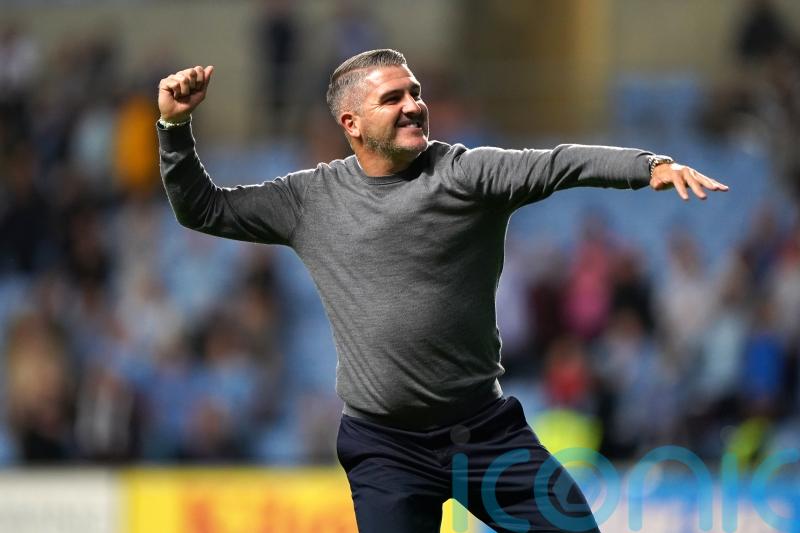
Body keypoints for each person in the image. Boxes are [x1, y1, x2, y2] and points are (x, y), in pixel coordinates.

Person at [156, 49, 728, 533]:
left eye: (415, 92)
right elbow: (203, 208)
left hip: (484, 432)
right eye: (392, 98)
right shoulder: (309, 199)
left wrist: (646, 164)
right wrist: (175, 129)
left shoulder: (466, 175)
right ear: (351, 124)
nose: (413, 105)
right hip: (385, 447)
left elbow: (559, 164)